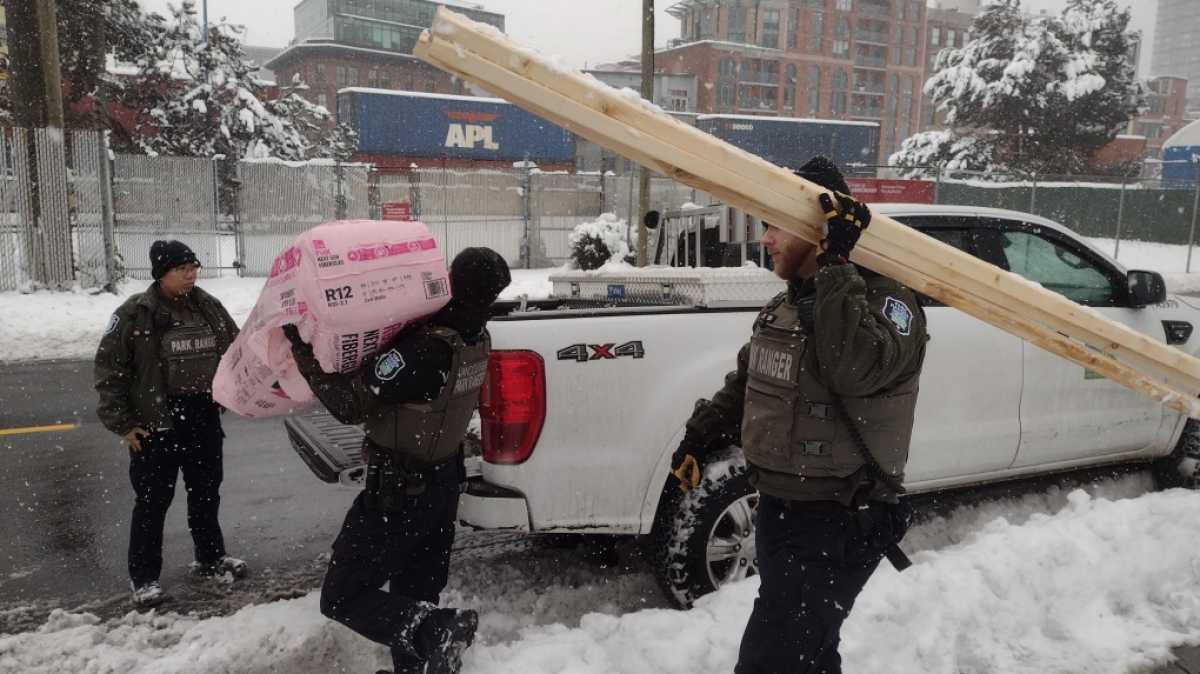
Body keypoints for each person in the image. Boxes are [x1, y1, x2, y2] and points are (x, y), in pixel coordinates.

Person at [670, 157, 928, 674]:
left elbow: (852, 366)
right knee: (806, 652)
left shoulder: (888, 305)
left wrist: (836, 264)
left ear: (817, 229)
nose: (764, 240)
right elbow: (749, 381)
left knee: (772, 661)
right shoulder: (788, 304)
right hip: (784, 509)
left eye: (774, 225)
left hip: (840, 518)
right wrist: (697, 438)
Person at [283, 247, 511, 674]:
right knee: (416, 590)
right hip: (441, 486)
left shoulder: (425, 349)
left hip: (399, 493)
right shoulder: (476, 339)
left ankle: (436, 633)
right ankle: (420, 664)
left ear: (451, 281)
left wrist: (305, 357)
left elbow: (349, 405)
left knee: (342, 597)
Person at [95, 240, 247, 608]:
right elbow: (109, 371)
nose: (191, 274)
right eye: (182, 269)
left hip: (202, 417)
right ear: (162, 273)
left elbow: (237, 348)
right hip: (157, 424)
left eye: (193, 266)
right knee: (152, 503)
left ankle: (210, 558)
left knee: (206, 493)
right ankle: (144, 579)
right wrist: (123, 424)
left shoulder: (208, 305)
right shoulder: (135, 313)